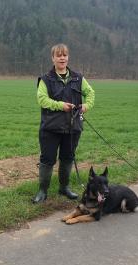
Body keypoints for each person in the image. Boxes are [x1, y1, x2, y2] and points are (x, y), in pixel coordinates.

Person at [32, 43, 95, 204]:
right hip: (50, 128)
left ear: (68, 57)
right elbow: (42, 99)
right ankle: (42, 191)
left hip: (73, 128)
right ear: (53, 58)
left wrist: (86, 105)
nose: (62, 58)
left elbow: (91, 93)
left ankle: (64, 188)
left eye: (65, 55)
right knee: (47, 160)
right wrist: (61, 105)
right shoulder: (45, 79)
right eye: (58, 55)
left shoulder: (78, 78)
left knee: (68, 158)